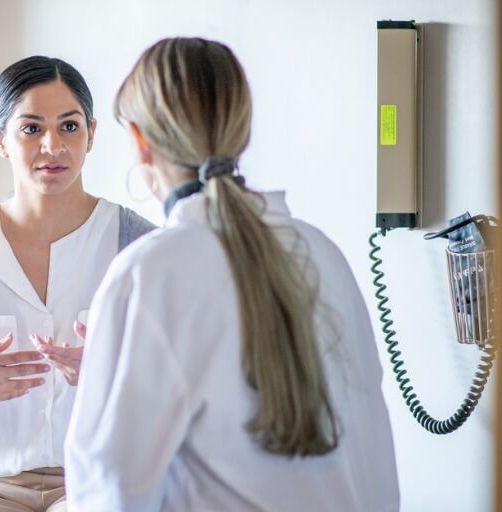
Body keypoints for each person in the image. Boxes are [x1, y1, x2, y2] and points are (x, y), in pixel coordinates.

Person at [64, 37, 400, 511]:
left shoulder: (150, 273)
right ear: (240, 130)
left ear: (140, 143)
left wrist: (111, 369)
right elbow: (372, 459)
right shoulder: (322, 253)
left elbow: (106, 492)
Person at [0, 55, 155, 512]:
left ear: (92, 134)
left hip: (97, 484)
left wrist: (112, 378)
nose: (52, 146)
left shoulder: (139, 247)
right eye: (31, 129)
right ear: (0, 138)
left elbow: (177, 400)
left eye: (69, 127)